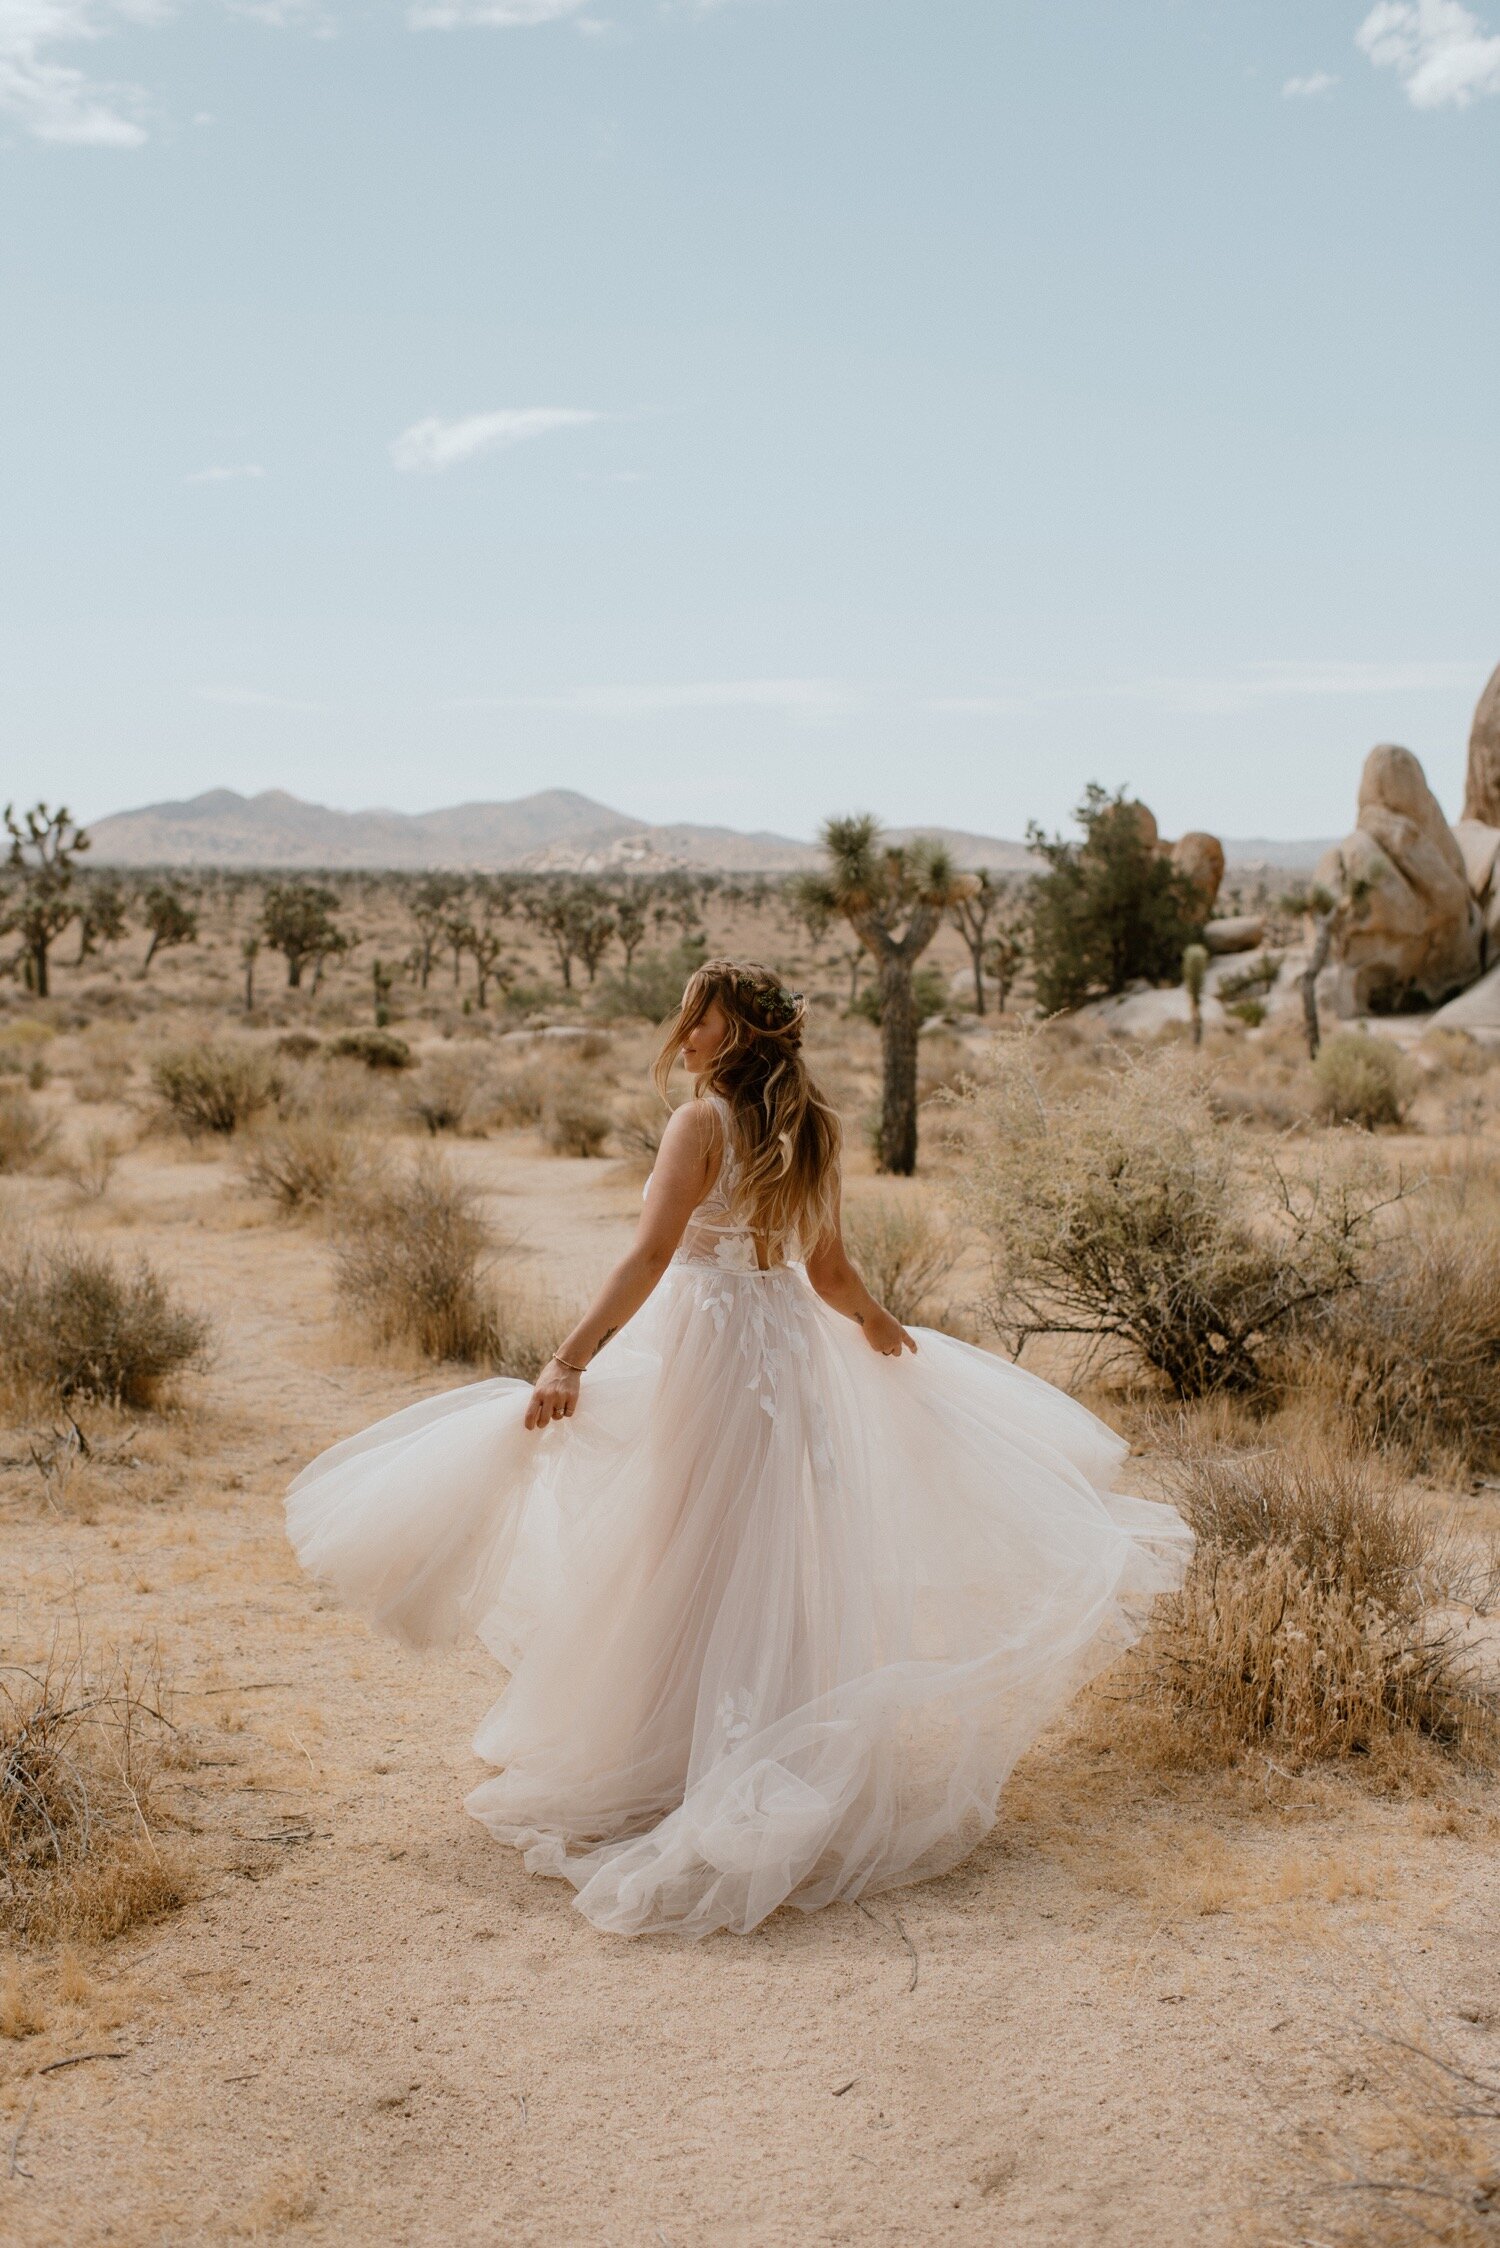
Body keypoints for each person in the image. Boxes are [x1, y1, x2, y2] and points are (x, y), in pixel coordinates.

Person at [286, 959, 1191, 1939]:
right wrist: (883, 1329)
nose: (687, 1032)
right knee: (760, 1541)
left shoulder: (700, 1124)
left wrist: (567, 1358)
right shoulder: (812, 1127)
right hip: (783, 1342)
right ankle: (752, 1742)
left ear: (735, 1032)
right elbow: (832, 1270)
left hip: (712, 1344)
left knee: (687, 1536)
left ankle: (677, 1755)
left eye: (701, 1018)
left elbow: (648, 1255)